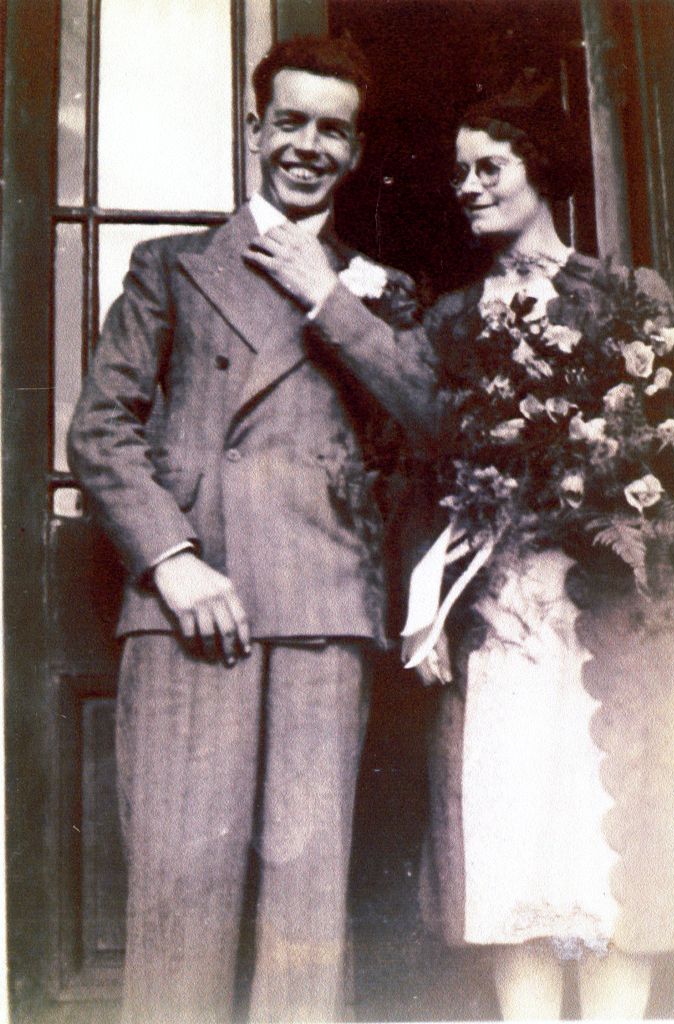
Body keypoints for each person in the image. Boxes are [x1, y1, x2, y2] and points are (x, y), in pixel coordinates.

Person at [68, 34, 434, 1024]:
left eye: (333, 130)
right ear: (256, 129)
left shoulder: (381, 292)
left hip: (321, 604)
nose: (308, 145)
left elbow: (428, 420)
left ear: (355, 152)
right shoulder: (171, 267)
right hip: (193, 603)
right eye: (291, 122)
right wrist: (175, 560)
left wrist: (327, 294)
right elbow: (101, 430)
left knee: (303, 900)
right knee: (181, 888)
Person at [408, 82, 674, 1020]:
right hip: (501, 622)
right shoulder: (450, 322)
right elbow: (417, 478)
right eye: (459, 172)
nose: (469, 186)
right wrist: (434, 608)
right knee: (515, 846)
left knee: (604, 849)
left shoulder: (622, 298)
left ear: (541, 169)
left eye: (490, 166)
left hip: (605, 619)